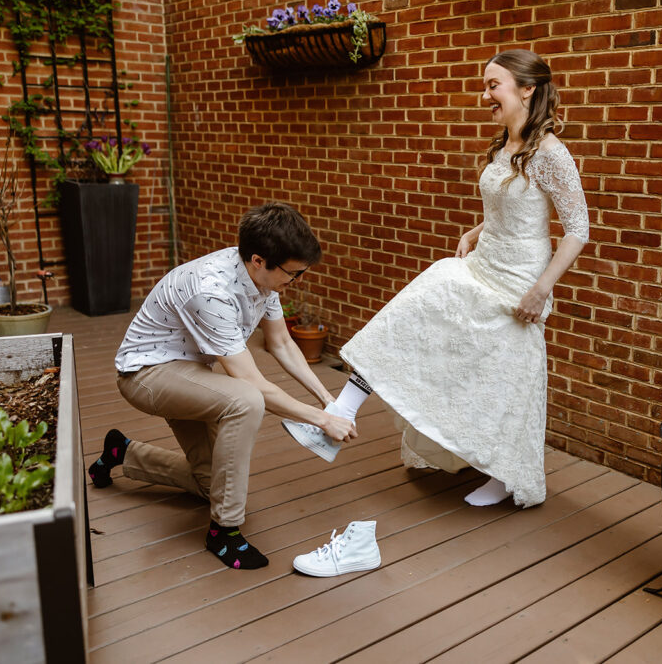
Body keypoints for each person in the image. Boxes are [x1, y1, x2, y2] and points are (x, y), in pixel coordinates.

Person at [283, 49, 590, 508]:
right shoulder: (505, 145)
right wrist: (477, 228)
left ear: (527, 89)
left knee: (502, 378)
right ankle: (341, 410)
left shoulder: (550, 153)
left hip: (518, 281)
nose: (484, 94)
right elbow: (514, 207)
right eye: (484, 84)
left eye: (493, 84)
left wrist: (542, 287)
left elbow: (578, 229)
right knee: (413, 322)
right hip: (484, 262)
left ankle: (506, 476)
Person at [88, 202, 357, 569]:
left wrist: (327, 399)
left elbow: (279, 343)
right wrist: (322, 421)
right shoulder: (211, 289)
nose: (296, 281)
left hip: (190, 371)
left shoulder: (262, 278)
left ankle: (123, 452)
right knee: (245, 401)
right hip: (146, 375)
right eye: (293, 274)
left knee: (212, 486)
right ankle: (224, 532)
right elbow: (250, 384)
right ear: (259, 260)